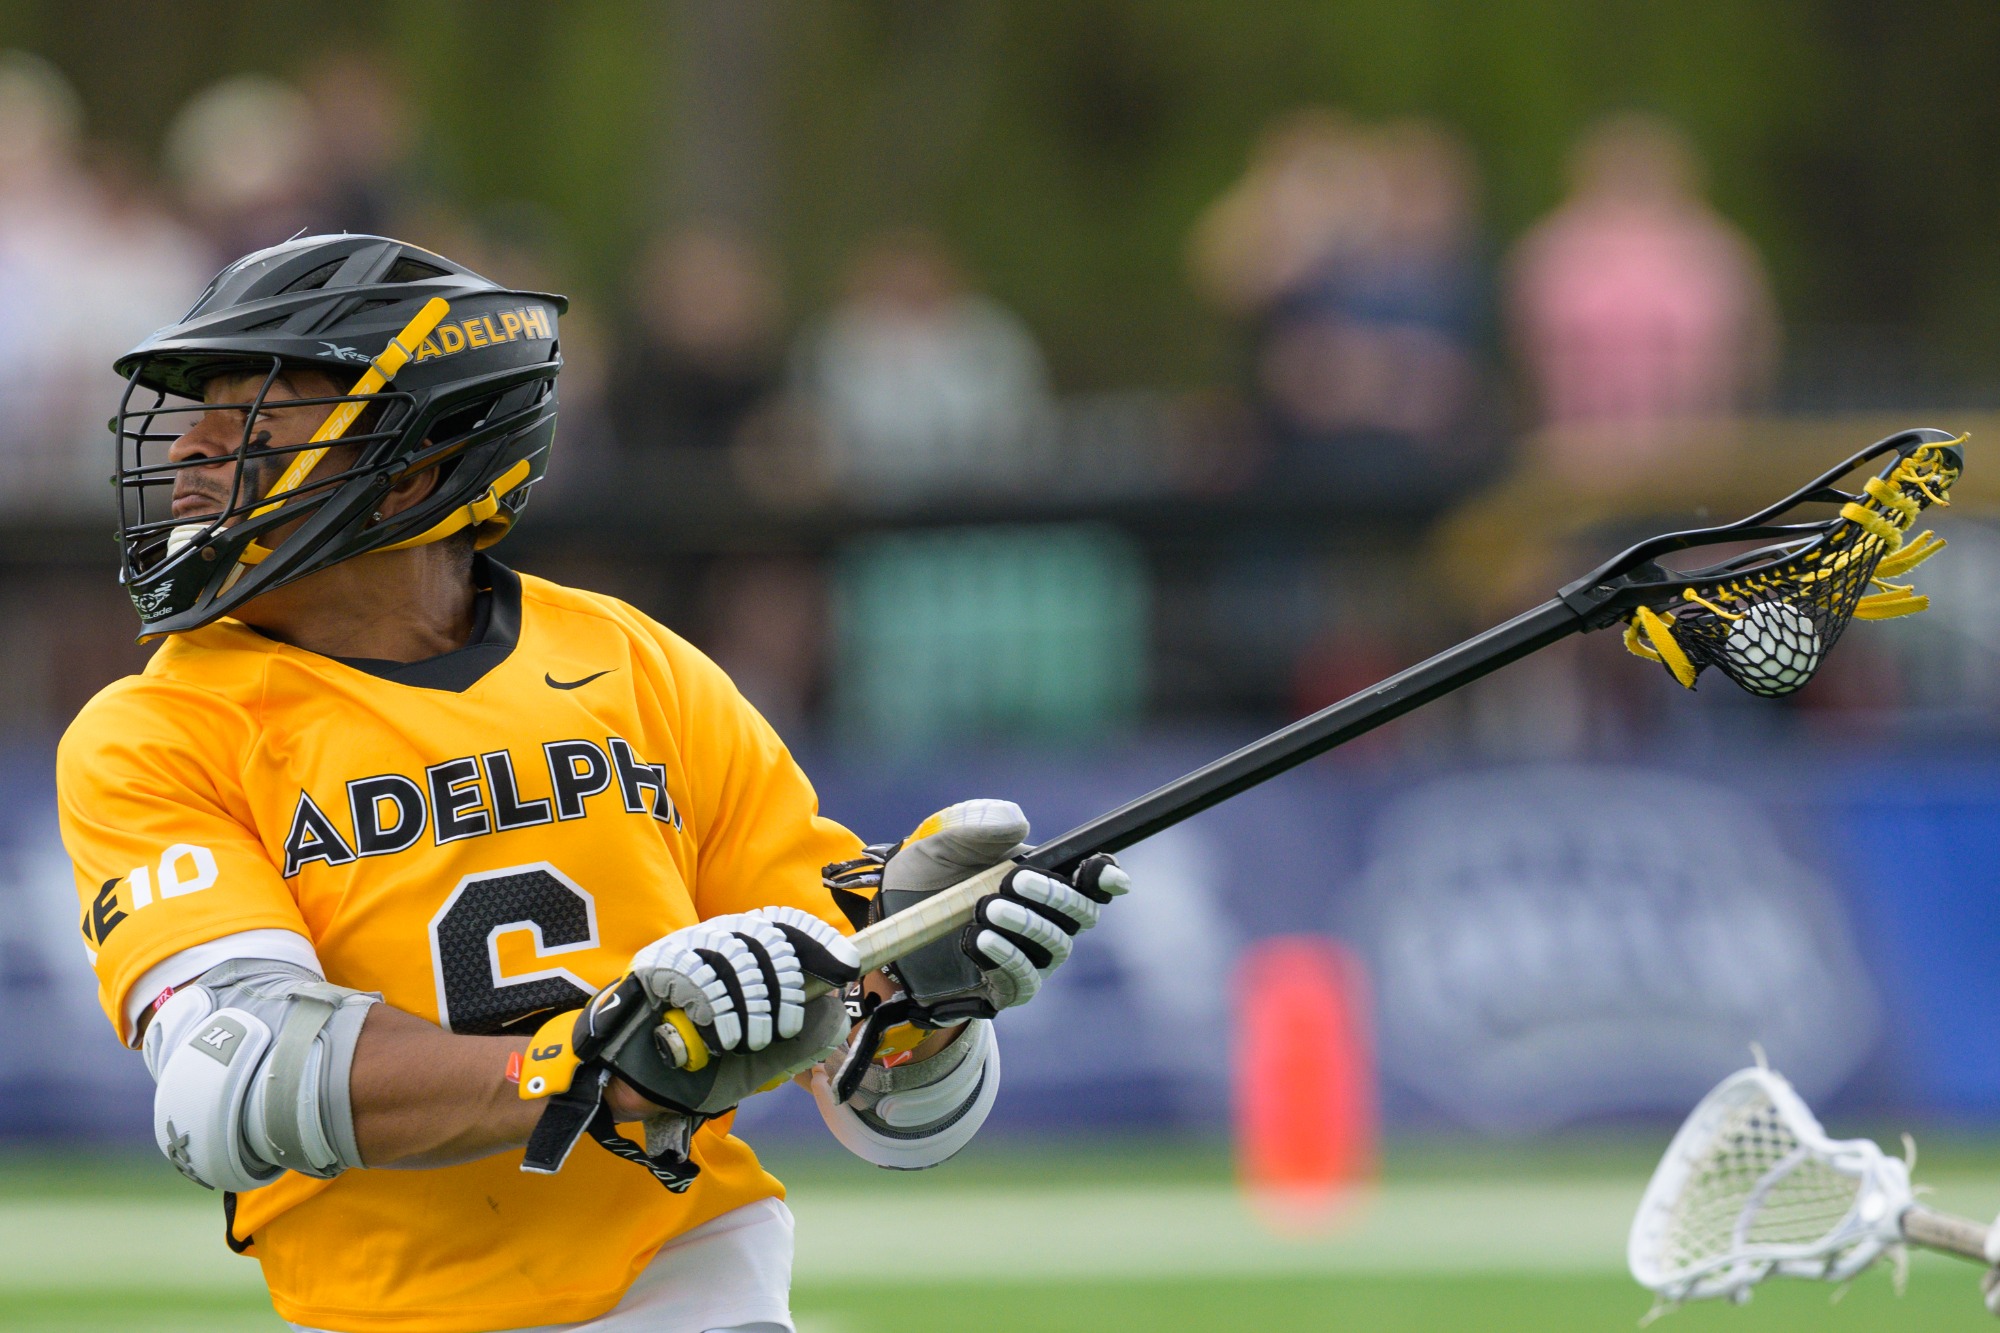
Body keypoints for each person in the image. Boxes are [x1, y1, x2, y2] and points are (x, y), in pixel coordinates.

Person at [57, 233, 1129, 1333]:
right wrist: (579, 1065)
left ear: (417, 465)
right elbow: (233, 1087)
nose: (188, 451)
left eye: (250, 424)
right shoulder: (156, 730)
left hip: (692, 1289)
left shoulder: (632, 664)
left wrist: (931, 996)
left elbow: (892, 1113)